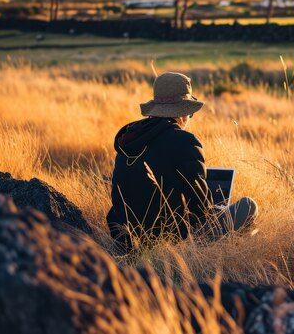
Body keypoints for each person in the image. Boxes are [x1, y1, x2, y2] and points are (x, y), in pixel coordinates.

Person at [107, 72, 258, 252]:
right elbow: (200, 209)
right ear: (184, 112)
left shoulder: (130, 138)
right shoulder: (185, 141)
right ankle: (226, 255)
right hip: (168, 239)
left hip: (124, 238)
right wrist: (215, 210)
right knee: (249, 205)